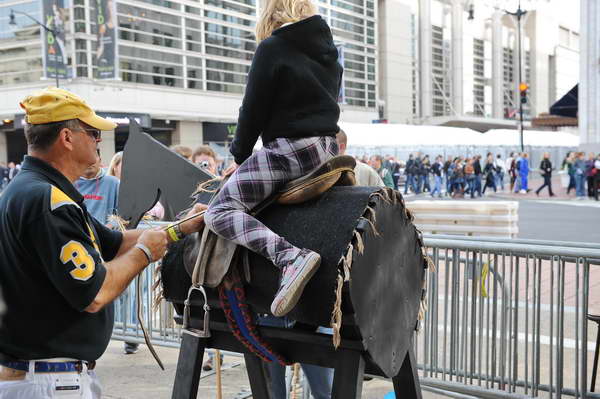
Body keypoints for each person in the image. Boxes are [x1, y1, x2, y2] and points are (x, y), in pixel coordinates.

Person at [0, 87, 206, 398]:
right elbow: (94, 293)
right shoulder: (47, 200)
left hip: (47, 375)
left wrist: (180, 227)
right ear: (67, 138)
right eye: (93, 132)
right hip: (49, 381)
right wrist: (145, 253)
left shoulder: (36, 190)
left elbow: (111, 242)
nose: (99, 140)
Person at [204, 0, 343, 320]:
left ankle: (290, 257)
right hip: (328, 147)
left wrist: (239, 156)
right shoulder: (330, 52)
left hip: (291, 149)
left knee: (219, 211)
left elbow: (252, 109)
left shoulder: (273, 47)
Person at [75, 150, 120, 224]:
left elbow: (122, 215)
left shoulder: (114, 183)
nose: (90, 161)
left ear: (100, 160)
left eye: (93, 157)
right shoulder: (69, 182)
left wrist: (108, 229)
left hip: (105, 234)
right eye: (85, 157)